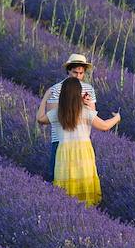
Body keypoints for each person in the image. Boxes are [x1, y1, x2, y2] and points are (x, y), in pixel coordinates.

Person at [48, 77, 119, 206]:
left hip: (64, 153)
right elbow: (104, 126)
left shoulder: (58, 113)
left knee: (66, 186)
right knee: (84, 185)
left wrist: (45, 97)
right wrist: (117, 118)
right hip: (82, 152)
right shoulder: (85, 112)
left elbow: (40, 118)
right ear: (78, 94)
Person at [37, 53, 98, 183]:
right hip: (60, 139)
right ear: (68, 71)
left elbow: (92, 115)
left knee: (81, 180)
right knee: (57, 178)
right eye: (75, 73)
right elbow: (54, 115)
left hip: (81, 140)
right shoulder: (57, 89)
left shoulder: (89, 89)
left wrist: (86, 105)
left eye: (81, 73)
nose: (78, 76)